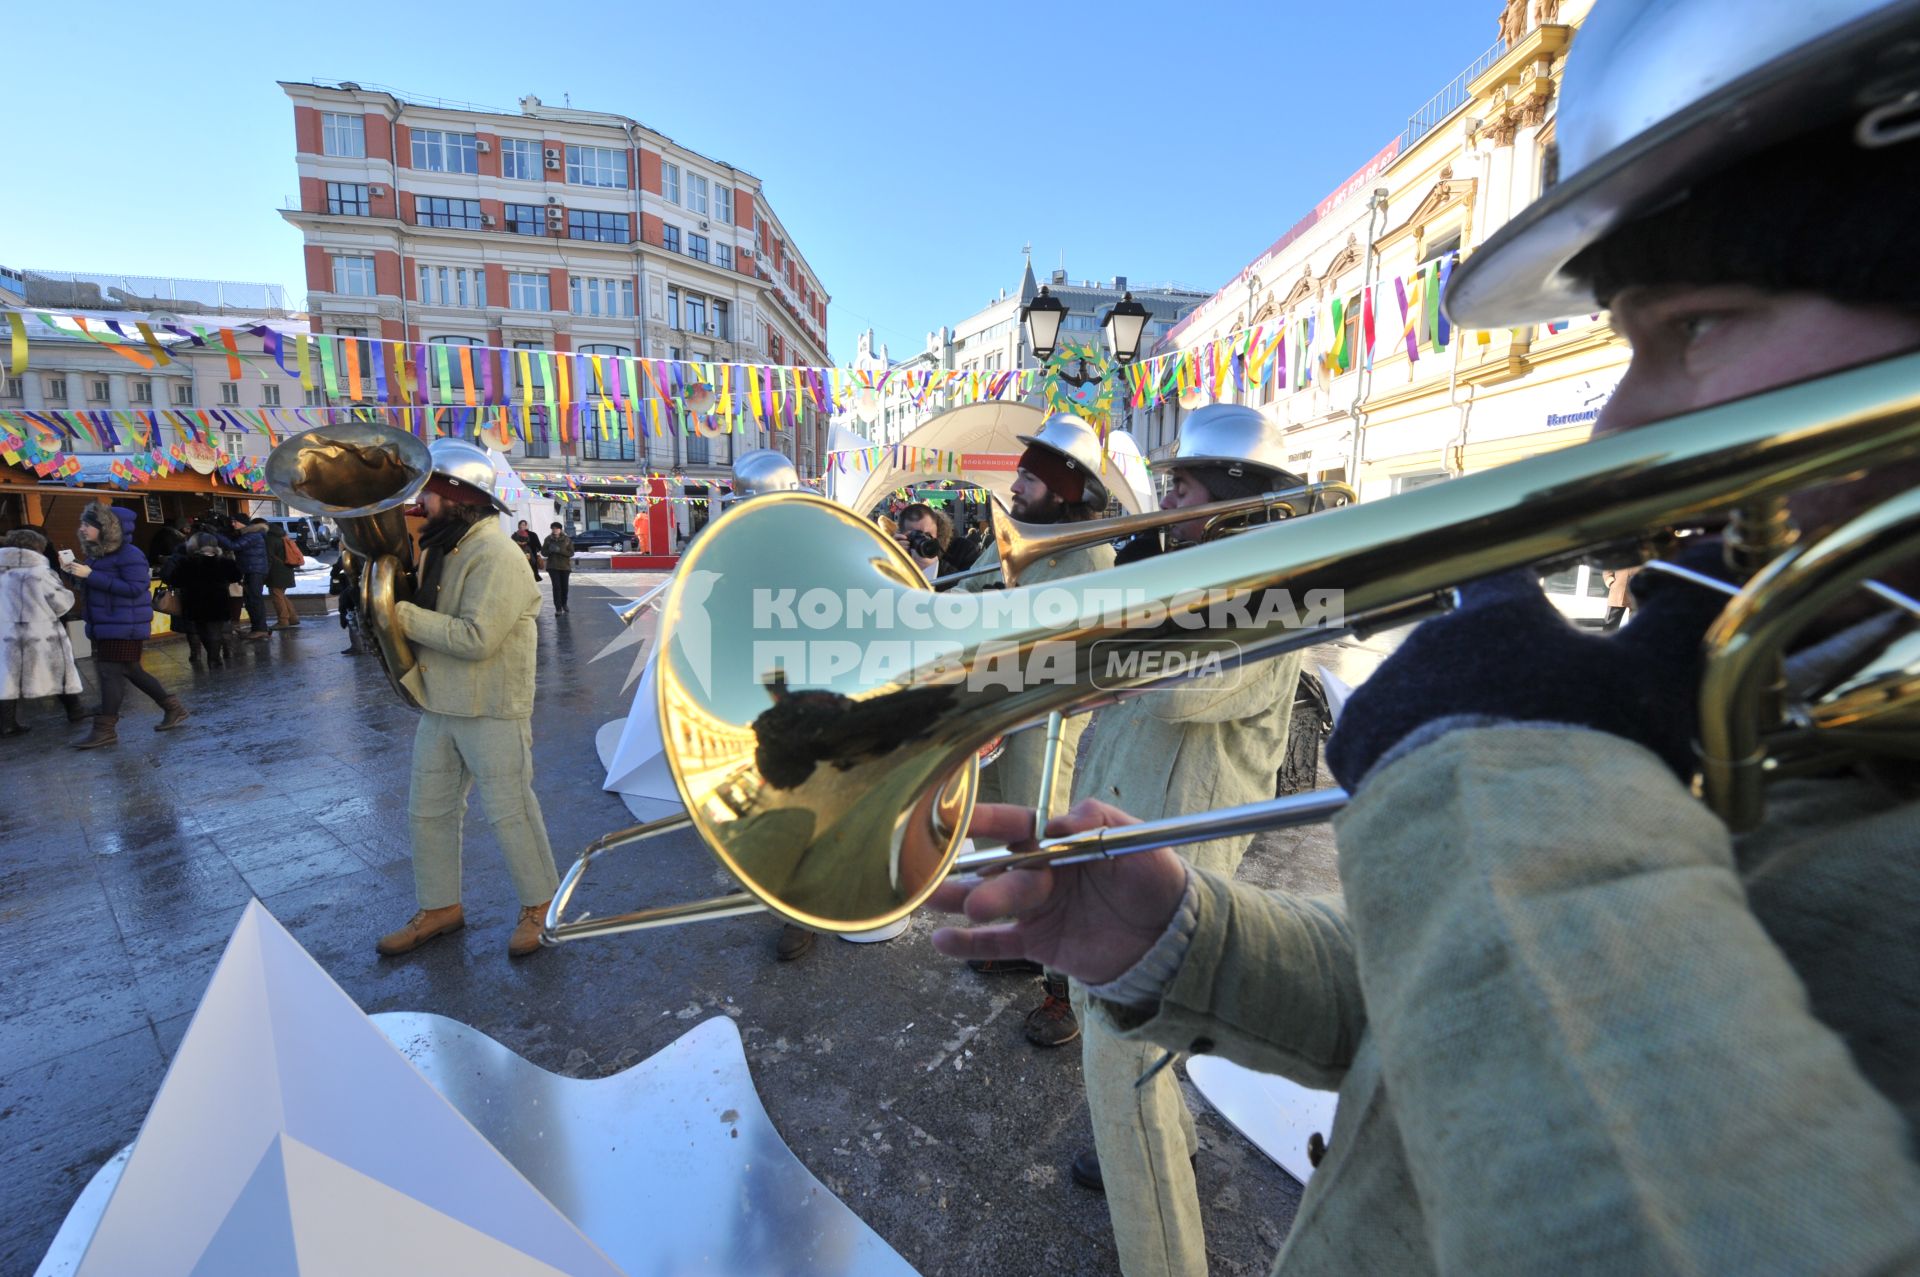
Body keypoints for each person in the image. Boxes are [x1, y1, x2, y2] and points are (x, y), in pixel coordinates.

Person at [929, 2, 1920, 1271]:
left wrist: (1503, 771)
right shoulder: (1812, 707)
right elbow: (1459, 1017)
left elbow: (1186, 703)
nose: (1617, 435)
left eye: (1700, 325)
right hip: (1151, 823)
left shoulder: (1260, 587)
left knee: (1139, 1122)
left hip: (1196, 786)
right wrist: (1183, 940)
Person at [1060, 405, 1310, 1273]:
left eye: (1185, 484)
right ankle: (1161, 1129)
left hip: (1178, 852)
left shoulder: (1272, 590)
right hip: (1129, 823)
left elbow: (1173, 688)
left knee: (1119, 1058)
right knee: (1139, 1045)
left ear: (1240, 501)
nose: (1165, 497)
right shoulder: (1195, 570)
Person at [954, 412, 1117, 1047]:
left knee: (1040, 848)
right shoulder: (1019, 536)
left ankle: (1066, 992)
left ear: (1065, 489)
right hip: (994, 713)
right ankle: (1022, 946)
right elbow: (975, 595)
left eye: (1031, 476)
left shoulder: (1091, 556)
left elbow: (1084, 652)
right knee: (996, 835)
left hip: (1041, 722)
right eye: (1021, 473)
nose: (1016, 484)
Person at [376, 438, 560, 961]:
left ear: (456, 496)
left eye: (427, 496)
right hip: (442, 704)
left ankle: (539, 906)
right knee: (427, 812)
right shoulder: (446, 547)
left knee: (510, 811)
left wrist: (398, 613)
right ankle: (439, 908)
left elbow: (477, 637)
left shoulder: (497, 553)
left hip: (490, 706)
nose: (418, 506)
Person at [67, 503, 189, 747]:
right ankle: (173, 707)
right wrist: (72, 573)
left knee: (110, 673)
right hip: (109, 623)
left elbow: (134, 589)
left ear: (107, 528)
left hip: (125, 624)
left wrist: (90, 575)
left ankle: (105, 728)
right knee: (131, 670)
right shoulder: (98, 554)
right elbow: (96, 587)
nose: (82, 529)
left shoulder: (129, 554)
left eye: (87, 525)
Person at [0, 529, 86, 736]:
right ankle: (75, 711)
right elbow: (61, 603)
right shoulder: (39, 573)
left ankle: (6, 723)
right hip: (40, 632)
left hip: (7, 633)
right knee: (61, 670)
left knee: (7, 677)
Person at [163, 533, 241, 669]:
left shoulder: (187, 562)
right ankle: (214, 659)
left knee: (201, 630)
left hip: (193, 602)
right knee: (215, 631)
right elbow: (236, 577)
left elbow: (175, 580)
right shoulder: (224, 561)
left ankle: (212, 656)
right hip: (218, 601)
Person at [212, 512, 271, 641]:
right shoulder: (248, 534)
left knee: (254, 600)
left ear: (243, 522)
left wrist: (216, 535)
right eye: (231, 522)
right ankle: (258, 628)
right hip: (251, 569)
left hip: (254, 570)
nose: (233, 525)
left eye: (235, 522)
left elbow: (235, 546)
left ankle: (260, 629)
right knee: (250, 600)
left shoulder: (253, 535)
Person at [893, 502, 963, 583]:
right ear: (901, 536)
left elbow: (961, 589)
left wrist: (931, 569)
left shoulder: (950, 572)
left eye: (927, 535)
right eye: (915, 535)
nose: (922, 540)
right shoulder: (889, 566)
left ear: (937, 534)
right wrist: (893, 555)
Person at [263, 518, 300, 630]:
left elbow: (268, 557)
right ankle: (293, 618)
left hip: (277, 571)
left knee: (277, 595)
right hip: (286, 569)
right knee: (281, 595)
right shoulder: (282, 536)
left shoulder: (269, 539)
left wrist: (264, 573)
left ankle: (283, 620)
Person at [330, 550, 365, 656]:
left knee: (351, 615)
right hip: (371, 587)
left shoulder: (349, 553)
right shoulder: (369, 550)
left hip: (354, 588)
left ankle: (358, 646)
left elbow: (335, 571)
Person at [541, 521, 575, 614]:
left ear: (560, 529)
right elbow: (543, 552)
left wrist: (560, 551)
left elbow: (571, 553)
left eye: (557, 528)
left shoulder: (567, 539)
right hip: (553, 567)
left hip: (565, 567)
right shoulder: (548, 539)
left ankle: (564, 604)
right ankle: (558, 608)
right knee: (556, 587)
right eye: (553, 528)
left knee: (564, 587)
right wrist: (550, 551)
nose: (555, 530)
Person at [1602, 564, 1639, 630]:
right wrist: (1610, 581)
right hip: (1619, 589)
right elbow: (1607, 566)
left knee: (1636, 624)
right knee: (1610, 623)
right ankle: (1606, 639)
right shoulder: (1618, 554)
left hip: (1637, 591)